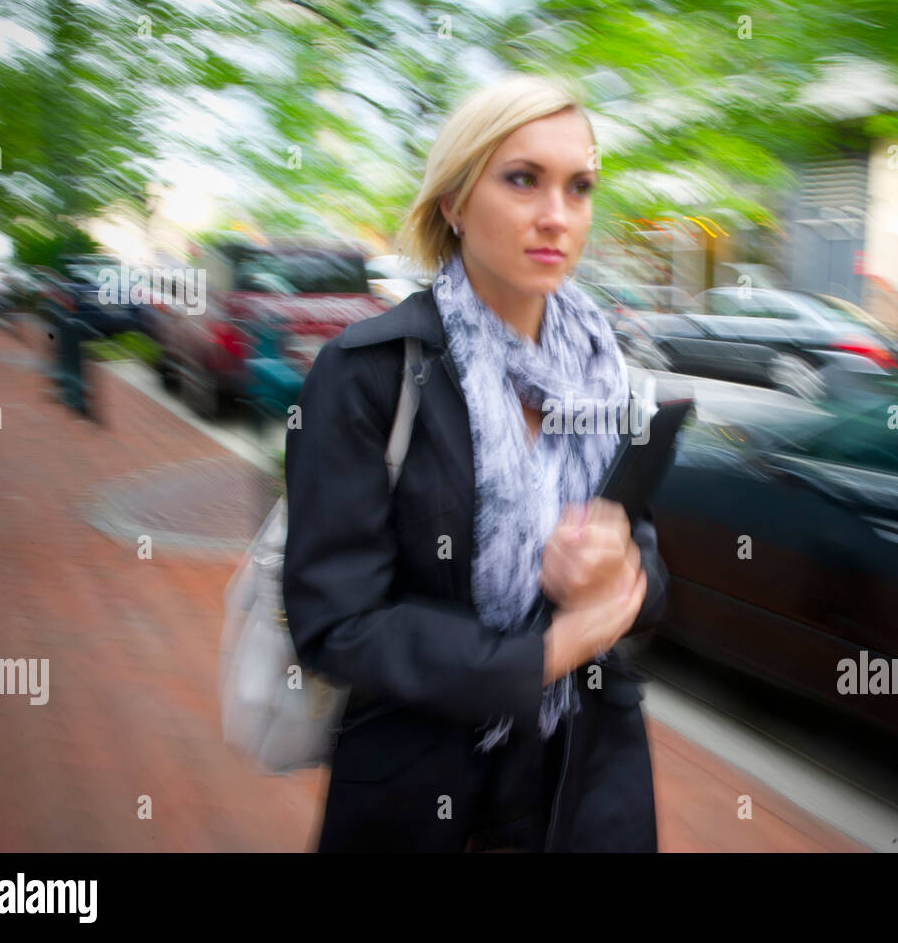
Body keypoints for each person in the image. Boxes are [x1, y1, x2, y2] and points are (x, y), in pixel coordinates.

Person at [281, 73, 669, 852]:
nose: (557, 216)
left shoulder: (609, 374)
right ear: (455, 203)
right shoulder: (369, 373)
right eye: (523, 179)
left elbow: (650, 570)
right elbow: (336, 623)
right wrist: (548, 650)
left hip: (587, 779)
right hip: (420, 793)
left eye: (580, 186)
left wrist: (615, 574)